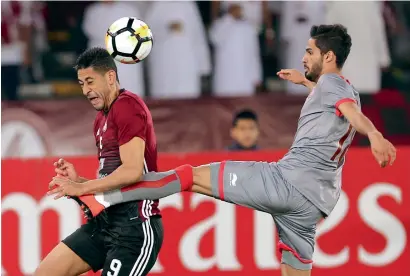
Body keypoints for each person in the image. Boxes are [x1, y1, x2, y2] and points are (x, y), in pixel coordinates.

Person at [49, 25, 397, 276]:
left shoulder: (335, 87)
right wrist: (303, 81)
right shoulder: (339, 87)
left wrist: (376, 135)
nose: (304, 56)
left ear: (329, 56)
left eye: (310, 51)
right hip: (316, 205)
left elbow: (350, 112)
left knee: (190, 177)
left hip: (286, 183)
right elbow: (338, 101)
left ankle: (111, 198)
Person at [36, 48, 163, 276]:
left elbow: (133, 171)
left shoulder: (127, 106)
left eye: (90, 81)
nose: (86, 90)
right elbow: (112, 179)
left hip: (134, 229)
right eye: (81, 83)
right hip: (105, 224)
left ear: (111, 77)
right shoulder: (100, 118)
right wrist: (79, 180)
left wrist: (82, 187)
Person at [145, 1, 211, 99]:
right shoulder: (158, 4)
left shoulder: (189, 4)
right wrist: (167, 28)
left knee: (188, 98)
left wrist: (204, 66)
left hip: (187, 64)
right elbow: (146, 32)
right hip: (164, 64)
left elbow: (197, 35)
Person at [82, 0, 145, 97]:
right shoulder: (93, 10)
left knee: (128, 85)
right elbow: (89, 29)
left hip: (125, 54)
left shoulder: (128, 9)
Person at [210, 2, 262, 97]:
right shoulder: (221, 24)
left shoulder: (249, 27)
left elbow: (254, 55)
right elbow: (215, 38)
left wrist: (256, 78)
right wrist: (229, 18)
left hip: (245, 79)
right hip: (225, 78)